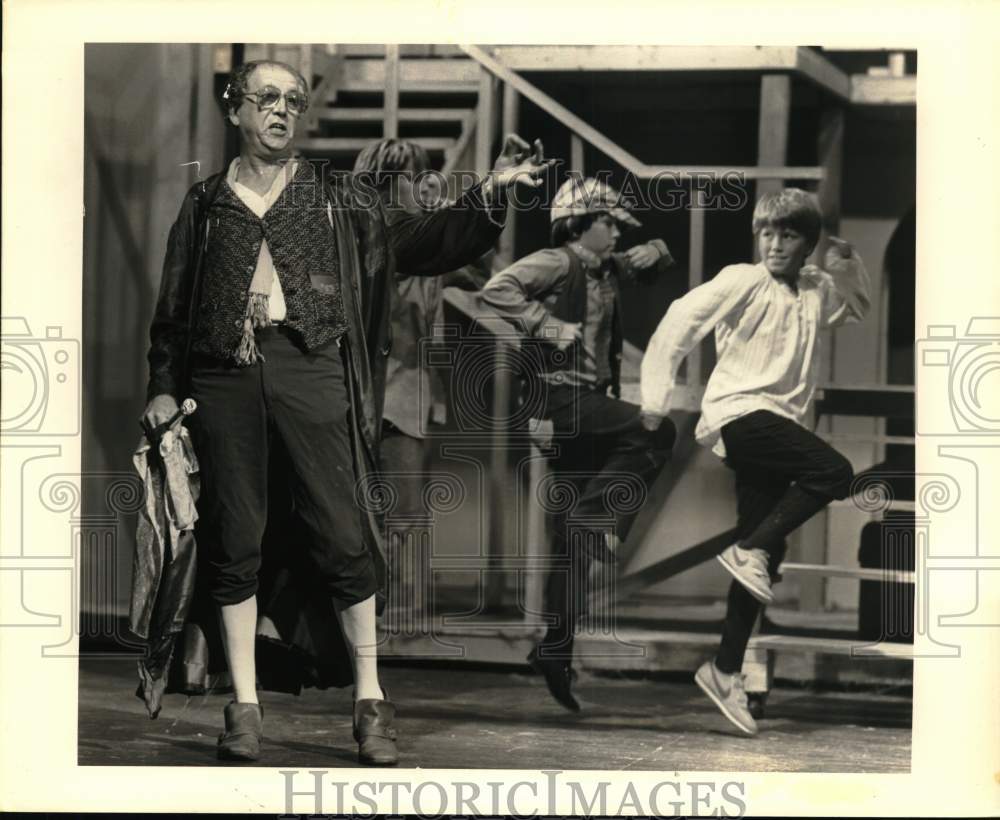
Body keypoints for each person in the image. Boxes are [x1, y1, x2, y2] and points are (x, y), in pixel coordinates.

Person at [142, 59, 552, 765]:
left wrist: (490, 193)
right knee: (234, 540)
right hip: (223, 379)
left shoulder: (338, 196)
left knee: (343, 532)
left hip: (314, 369)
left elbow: (424, 240)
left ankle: (370, 698)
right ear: (233, 105)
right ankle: (243, 707)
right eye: (266, 99)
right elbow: (173, 314)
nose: (281, 111)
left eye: (293, 101)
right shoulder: (204, 205)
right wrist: (160, 384)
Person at [639, 188, 871, 736]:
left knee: (764, 548)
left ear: (807, 243)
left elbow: (855, 306)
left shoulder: (814, 289)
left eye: (787, 235)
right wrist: (654, 401)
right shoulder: (742, 280)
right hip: (741, 413)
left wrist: (846, 263)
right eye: (766, 233)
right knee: (834, 473)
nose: (773, 244)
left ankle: (723, 670)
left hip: (779, 426)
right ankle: (745, 551)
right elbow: (678, 323)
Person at [479, 176, 677, 712]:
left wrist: (652, 250)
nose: (614, 231)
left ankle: (556, 649)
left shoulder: (605, 267)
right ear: (579, 225)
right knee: (657, 428)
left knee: (571, 548)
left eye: (615, 224)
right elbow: (495, 290)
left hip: (586, 405)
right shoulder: (555, 261)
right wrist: (543, 324)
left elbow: (660, 260)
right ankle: (597, 520)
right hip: (561, 403)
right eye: (606, 223)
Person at [352, 138, 490, 616]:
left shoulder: (427, 246)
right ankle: (370, 615)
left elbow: (477, 272)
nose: (420, 186)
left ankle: (391, 616)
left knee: (405, 515)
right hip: (375, 397)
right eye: (411, 178)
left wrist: (441, 217)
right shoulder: (370, 237)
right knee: (383, 514)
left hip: (409, 398)